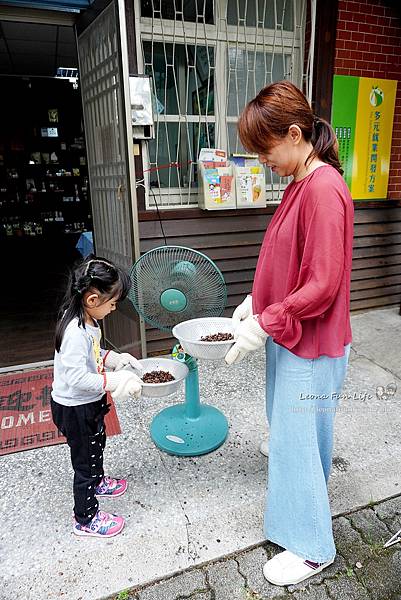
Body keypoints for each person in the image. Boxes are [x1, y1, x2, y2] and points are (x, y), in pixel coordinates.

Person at [225, 81, 354, 586]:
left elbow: (321, 284)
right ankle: (303, 510)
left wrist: (267, 320)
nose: (262, 162)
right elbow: (286, 259)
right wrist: (255, 303)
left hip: (311, 340)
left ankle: (311, 546)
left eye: (265, 149)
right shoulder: (302, 180)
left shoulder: (322, 188)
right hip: (292, 334)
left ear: (295, 134)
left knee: (299, 440)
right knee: (295, 437)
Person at [51, 255, 143, 538]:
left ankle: (99, 479)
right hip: (75, 409)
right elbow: (77, 378)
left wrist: (114, 358)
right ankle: (86, 518)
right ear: (92, 300)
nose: (114, 308)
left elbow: (91, 357)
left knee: (96, 445)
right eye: (113, 303)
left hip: (88, 404)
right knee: (85, 463)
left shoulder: (86, 321)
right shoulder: (75, 332)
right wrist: (114, 381)